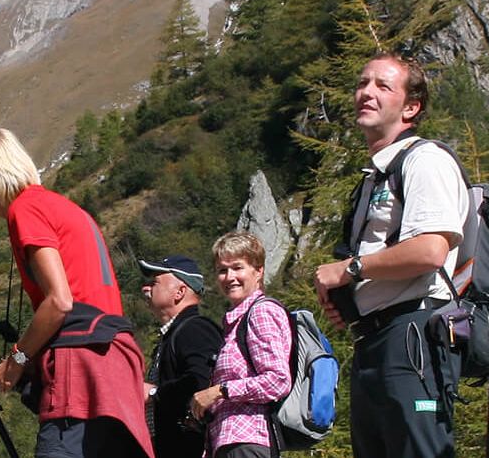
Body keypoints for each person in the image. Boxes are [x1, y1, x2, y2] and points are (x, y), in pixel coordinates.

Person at [0, 128, 153, 458]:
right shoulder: (60, 206)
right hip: (115, 361)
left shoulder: (25, 209)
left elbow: (60, 301)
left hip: (80, 364)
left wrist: (17, 359)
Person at [311, 52, 467, 458]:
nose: (366, 92)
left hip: (412, 335)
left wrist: (351, 270)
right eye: (363, 83)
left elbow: (431, 249)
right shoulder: (375, 175)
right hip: (376, 340)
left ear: (411, 107)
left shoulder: (424, 160)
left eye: (383, 86)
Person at [191, 232, 291, 458]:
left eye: (238, 267)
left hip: (249, 440)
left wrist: (220, 391)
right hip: (231, 442)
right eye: (222, 270)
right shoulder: (234, 324)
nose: (229, 277)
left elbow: (278, 380)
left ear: (259, 271)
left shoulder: (261, 312)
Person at [137, 255, 222, 457]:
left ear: (180, 291)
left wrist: (152, 394)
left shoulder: (195, 329)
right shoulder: (176, 333)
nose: (145, 289)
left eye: (154, 282)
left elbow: (201, 383)